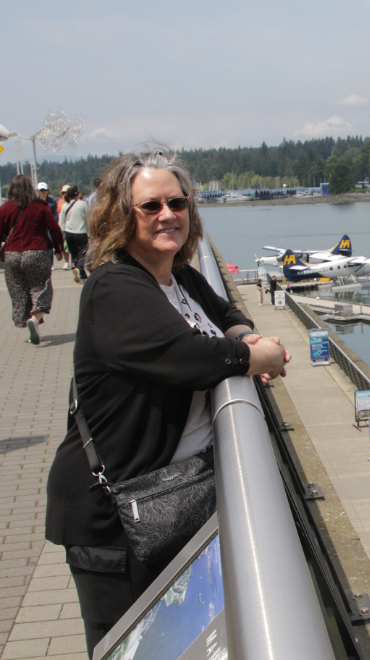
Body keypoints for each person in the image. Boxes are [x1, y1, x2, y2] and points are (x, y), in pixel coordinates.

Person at [44, 146, 291, 656]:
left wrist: (245, 335)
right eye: (150, 206)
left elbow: (224, 312)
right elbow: (187, 356)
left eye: (177, 204)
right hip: (113, 516)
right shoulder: (115, 286)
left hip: (165, 496)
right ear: (119, 215)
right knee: (127, 647)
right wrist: (256, 357)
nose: (167, 215)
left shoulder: (179, 276)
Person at [0, 175, 65, 345]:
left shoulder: (5, 207)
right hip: (37, 251)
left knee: (19, 291)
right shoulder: (40, 206)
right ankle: (34, 321)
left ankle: (30, 329)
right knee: (40, 287)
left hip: (12, 254)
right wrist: (59, 249)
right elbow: (54, 228)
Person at [58, 185, 89, 283]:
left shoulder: (64, 205)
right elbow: (88, 219)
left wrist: (62, 236)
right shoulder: (83, 204)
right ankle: (80, 269)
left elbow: (61, 222)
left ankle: (80, 273)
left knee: (74, 255)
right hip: (80, 232)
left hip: (69, 233)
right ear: (77, 194)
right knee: (83, 253)